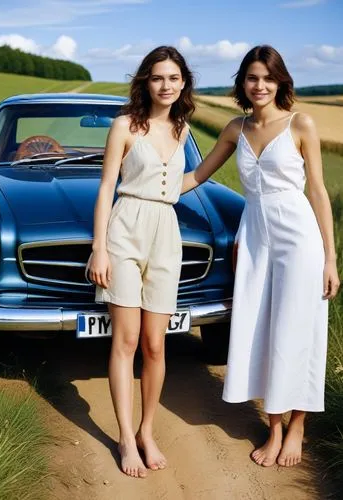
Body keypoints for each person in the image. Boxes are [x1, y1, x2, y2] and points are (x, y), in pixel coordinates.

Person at [182, 45, 340, 468]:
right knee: (261, 330)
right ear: (243, 83)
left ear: (280, 81)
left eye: (268, 78)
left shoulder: (300, 124)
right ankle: (274, 428)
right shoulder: (236, 128)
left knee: (299, 330)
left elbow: (318, 192)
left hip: (299, 239)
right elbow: (197, 175)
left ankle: (298, 426)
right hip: (254, 240)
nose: (260, 85)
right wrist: (142, 190)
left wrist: (330, 258)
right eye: (252, 77)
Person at [88, 46, 195, 478]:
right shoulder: (124, 126)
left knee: (156, 343)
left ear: (183, 82)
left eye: (173, 78)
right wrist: (99, 247)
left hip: (166, 234)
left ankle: (148, 431)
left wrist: (208, 171)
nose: (165, 85)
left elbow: (174, 183)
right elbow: (106, 187)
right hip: (126, 229)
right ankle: (125, 438)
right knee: (127, 341)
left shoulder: (184, 129)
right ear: (145, 83)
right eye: (157, 78)